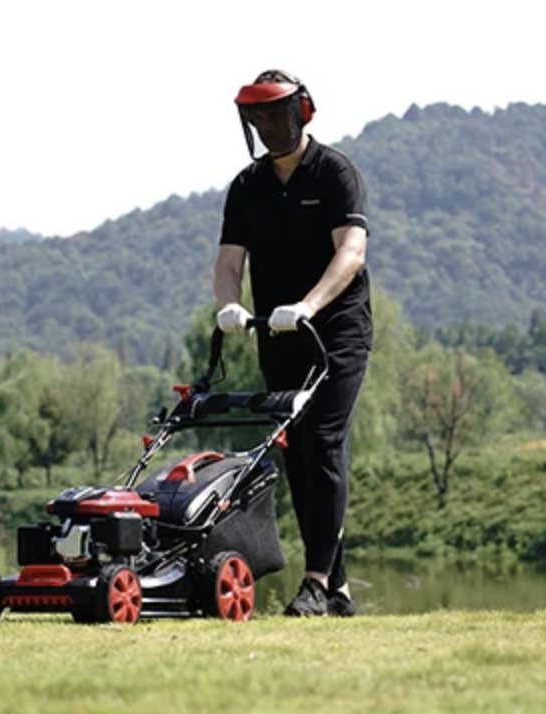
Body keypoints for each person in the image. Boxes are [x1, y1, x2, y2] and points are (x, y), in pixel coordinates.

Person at [213, 69, 373, 617]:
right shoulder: (246, 187)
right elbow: (229, 262)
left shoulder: (335, 173)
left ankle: (315, 582)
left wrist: (309, 304)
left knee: (324, 442)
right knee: (300, 454)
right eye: (258, 117)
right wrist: (229, 305)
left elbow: (351, 252)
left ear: (301, 112)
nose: (268, 126)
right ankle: (339, 590)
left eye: (276, 114)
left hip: (336, 331)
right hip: (276, 336)